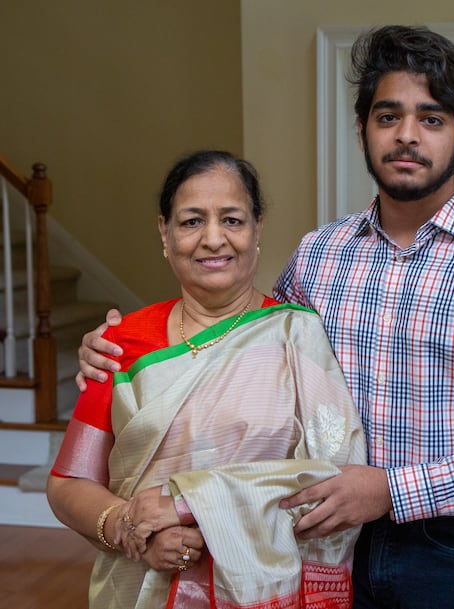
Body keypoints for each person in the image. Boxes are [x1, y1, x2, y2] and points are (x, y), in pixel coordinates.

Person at [75, 26, 454, 609]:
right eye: (387, 116)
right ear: (364, 129)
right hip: (323, 544)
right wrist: (117, 352)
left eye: (433, 119)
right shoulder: (321, 255)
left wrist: (392, 491)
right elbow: (239, 352)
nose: (407, 136)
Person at [47, 149, 366, 609]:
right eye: (192, 221)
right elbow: (67, 484)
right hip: (143, 589)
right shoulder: (120, 343)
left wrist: (189, 506)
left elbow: (336, 479)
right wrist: (131, 528)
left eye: (232, 220)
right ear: (165, 232)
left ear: (257, 230)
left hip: (268, 591)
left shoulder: (297, 336)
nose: (213, 239)